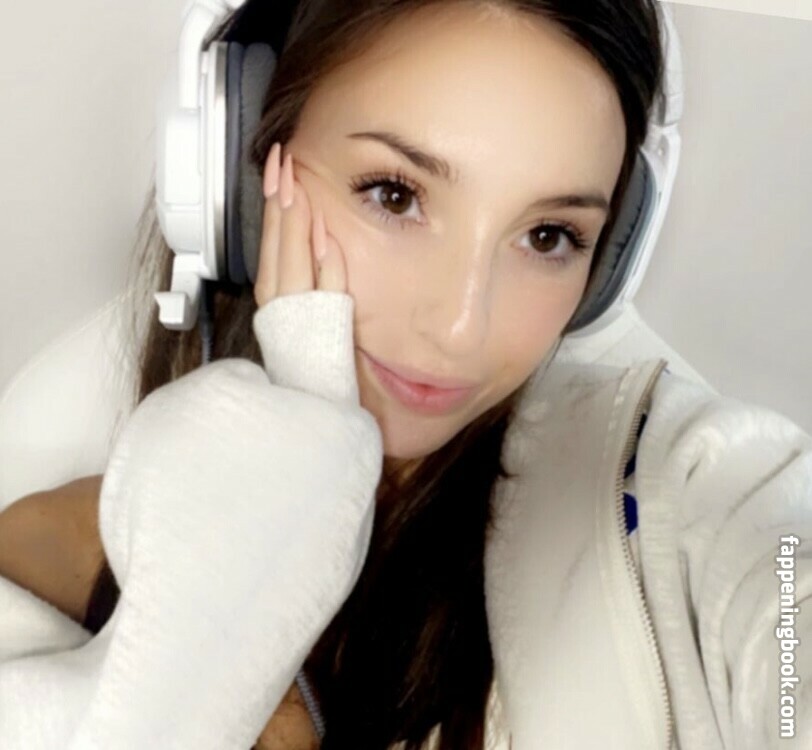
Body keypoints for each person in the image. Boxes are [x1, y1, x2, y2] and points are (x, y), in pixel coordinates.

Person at [0, 1, 810, 748]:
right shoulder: (46, 554)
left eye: (549, 236)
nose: (460, 327)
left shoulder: (669, 490)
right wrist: (243, 558)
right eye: (394, 195)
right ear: (235, 175)